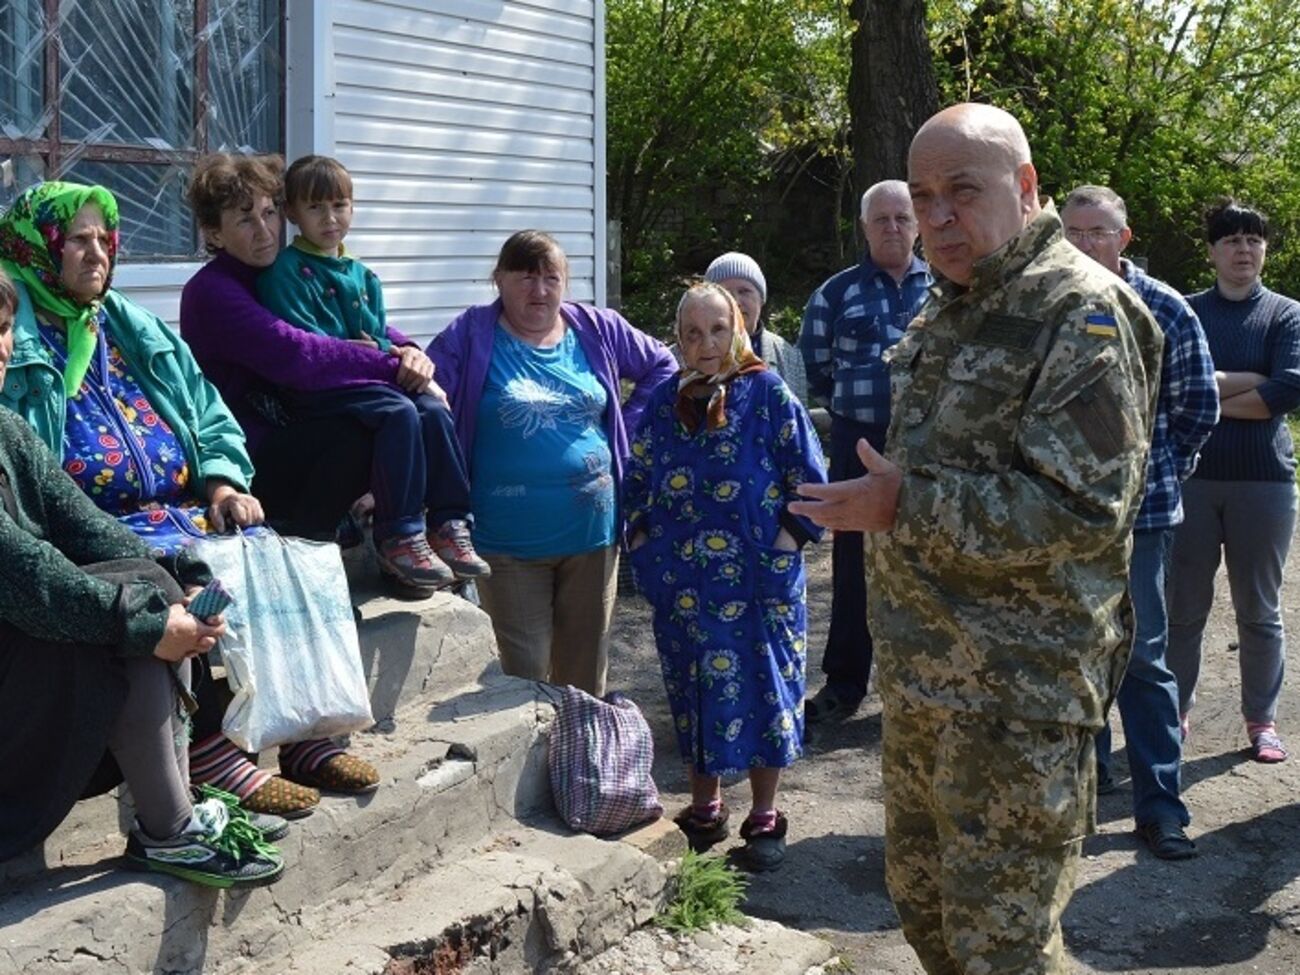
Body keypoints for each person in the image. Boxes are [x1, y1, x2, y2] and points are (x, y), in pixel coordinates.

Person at [791, 103, 1162, 973]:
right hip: (926, 686)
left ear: (1026, 188)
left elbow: (1084, 508)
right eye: (923, 196)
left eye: (963, 190)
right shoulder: (949, 302)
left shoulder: (1084, 312)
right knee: (934, 927)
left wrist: (904, 505)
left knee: (1003, 950)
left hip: (1019, 700)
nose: (938, 216)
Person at [0, 180, 377, 822]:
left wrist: (222, 480)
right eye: (78, 240)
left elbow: (207, 409)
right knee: (171, 569)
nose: (98, 254)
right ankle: (208, 747)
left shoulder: (127, 323)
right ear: (40, 247)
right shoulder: (15, 334)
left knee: (273, 551)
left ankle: (308, 730)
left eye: (105, 239)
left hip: (183, 501)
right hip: (96, 522)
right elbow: (31, 484)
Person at [0, 268, 283, 887]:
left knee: (146, 583)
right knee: (127, 623)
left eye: (0, 330)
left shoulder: (7, 430)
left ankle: (169, 806)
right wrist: (147, 622)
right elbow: (24, 572)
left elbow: (81, 525)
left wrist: (179, 577)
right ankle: (168, 829)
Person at [624, 282, 826, 871]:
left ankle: (764, 814)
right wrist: (643, 548)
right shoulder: (665, 402)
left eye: (716, 329)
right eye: (691, 332)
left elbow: (810, 478)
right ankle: (705, 807)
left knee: (766, 691)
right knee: (692, 690)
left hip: (758, 585)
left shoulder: (767, 392)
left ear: (736, 327)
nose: (705, 343)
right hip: (684, 585)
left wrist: (785, 546)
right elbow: (635, 481)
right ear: (679, 339)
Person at [428, 230, 676, 696]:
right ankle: (533, 769)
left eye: (550, 278)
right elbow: (426, 389)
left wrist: (626, 426)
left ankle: (578, 765)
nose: (539, 291)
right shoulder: (471, 334)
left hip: (593, 536)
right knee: (524, 679)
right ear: (498, 279)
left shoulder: (596, 328)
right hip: (507, 540)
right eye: (525, 277)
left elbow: (662, 367)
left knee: (584, 677)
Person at [1062, 184, 1219, 860]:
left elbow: (1198, 408)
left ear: (1123, 238)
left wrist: (1156, 477)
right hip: (1060, 518)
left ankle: (1161, 807)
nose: (1084, 243)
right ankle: (1082, 804)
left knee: (1143, 659)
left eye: (1098, 231)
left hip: (1143, 519)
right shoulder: (1050, 307)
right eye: (1071, 231)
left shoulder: (1165, 309)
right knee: (1075, 657)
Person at [254, 154, 487, 592]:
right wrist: (376, 352)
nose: (330, 218)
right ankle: (399, 533)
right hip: (319, 392)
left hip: (367, 382)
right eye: (315, 207)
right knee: (399, 412)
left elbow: (376, 337)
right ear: (291, 213)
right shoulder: (284, 273)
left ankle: (449, 522)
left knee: (433, 409)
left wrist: (386, 350)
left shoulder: (364, 275)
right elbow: (313, 348)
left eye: (339, 206)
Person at [181, 154, 377, 550]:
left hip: (296, 424)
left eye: (270, 213)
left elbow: (353, 318)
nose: (265, 231)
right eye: (245, 219)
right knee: (356, 433)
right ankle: (306, 553)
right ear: (214, 234)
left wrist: (407, 351)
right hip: (245, 448)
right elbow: (296, 356)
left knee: (394, 414)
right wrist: (388, 364)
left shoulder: (284, 271)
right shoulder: (213, 291)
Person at [1168, 199, 1300, 764]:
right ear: (1212, 251)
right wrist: (1253, 382)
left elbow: (1290, 390)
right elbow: (1173, 387)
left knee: (1259, 609)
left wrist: (1211, 391)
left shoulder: (1288, 315)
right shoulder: (1186, 312)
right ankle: (1174, 711)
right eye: (1231, 240)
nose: (1243, 250)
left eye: (1253, 240)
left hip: (1264, 483)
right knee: (1184, 607)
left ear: (1265, 249)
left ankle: (1261, 720)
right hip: (1192, 479)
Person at [796, 180, 932, 724]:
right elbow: (815, 368)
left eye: (903, 218)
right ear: (865, 226)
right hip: (857, 442)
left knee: (926, 563)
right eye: (882, 220)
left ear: (918, 224)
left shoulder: (947, 288)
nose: (893, 228)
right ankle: (845, 683)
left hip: (926, 448)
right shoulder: (836, 293)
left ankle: (922, 686)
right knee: (852, 566)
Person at [700, 251, 808, 402]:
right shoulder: (681, 355)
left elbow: (800, 420)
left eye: (744, 291)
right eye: (724, 293)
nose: (736, 301)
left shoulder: (789, 356)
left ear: (761, 299)